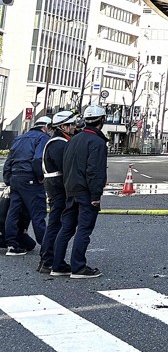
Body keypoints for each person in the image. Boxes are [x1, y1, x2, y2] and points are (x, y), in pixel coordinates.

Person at [55, 106, 108, 278]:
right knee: (84, 228)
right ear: (102, 120)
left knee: (66, 228)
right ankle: (78, 267)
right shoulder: (97, 142)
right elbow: (95, 171)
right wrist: (96, 195)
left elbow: (66, 165)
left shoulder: (73, 139)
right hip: (86, 191)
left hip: (71, 189)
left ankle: (57, 265)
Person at [4, 115, 52, 256]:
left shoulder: (20, 138)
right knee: (38, 212)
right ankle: (46, 246)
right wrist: (40, 177)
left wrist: (9, 179)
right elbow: (38, 159)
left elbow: (9, 161)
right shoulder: (42, 138)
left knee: (13, 212)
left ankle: (11, 244)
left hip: (16, 178)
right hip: (31, 178)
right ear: (45, 127)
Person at [38, 111, 77, 274]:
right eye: (72, 124)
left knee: (56, 222)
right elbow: (66, 167)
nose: (75, 127)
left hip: (54, 185)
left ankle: (47, 260)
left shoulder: (57, 141)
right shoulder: (58, 143)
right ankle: (48, 260)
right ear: (63, 126)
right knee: (56, 223)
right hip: (58, 186)